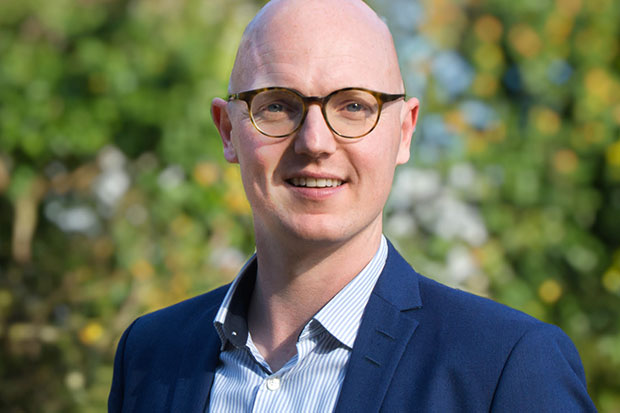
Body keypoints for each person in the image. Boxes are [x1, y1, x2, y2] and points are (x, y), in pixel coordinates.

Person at [108, 0, 597, 411]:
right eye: (277, 105)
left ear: (404, 132)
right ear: (227, 130)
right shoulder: (150, 355)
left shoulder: (506, 365)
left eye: (354, 106)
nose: (315, 142)